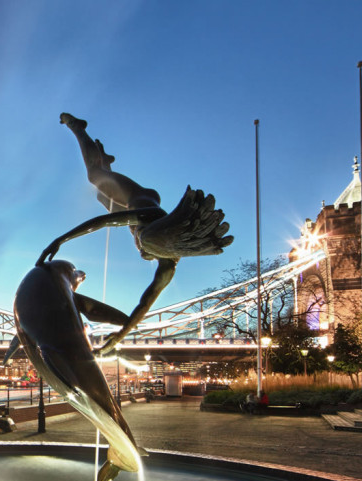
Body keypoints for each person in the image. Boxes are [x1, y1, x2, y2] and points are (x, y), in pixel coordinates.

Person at [39, 113, 234, 355]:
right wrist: (60, 240)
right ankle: (79, 128)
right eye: (142, 244)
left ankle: (106, 161)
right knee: (94, 177)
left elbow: (144, 303)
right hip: (137, 196)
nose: (140, 251)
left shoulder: (168, 265)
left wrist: (120, 336)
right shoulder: (147, 215)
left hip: (130, 206)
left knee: (102, 196)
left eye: (145, 252)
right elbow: (103, 222)